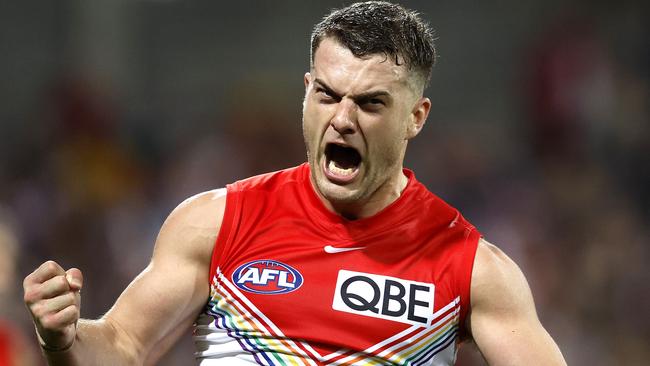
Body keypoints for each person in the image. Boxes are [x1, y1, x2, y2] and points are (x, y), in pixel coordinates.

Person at [23, 2, 566, 365]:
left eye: (372, 103)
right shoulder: (217, 221)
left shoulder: (471, 266)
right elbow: (121, 344)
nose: (344, 119)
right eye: (328, 95)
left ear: (416, 117)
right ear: (306, 92)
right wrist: (64, 339)